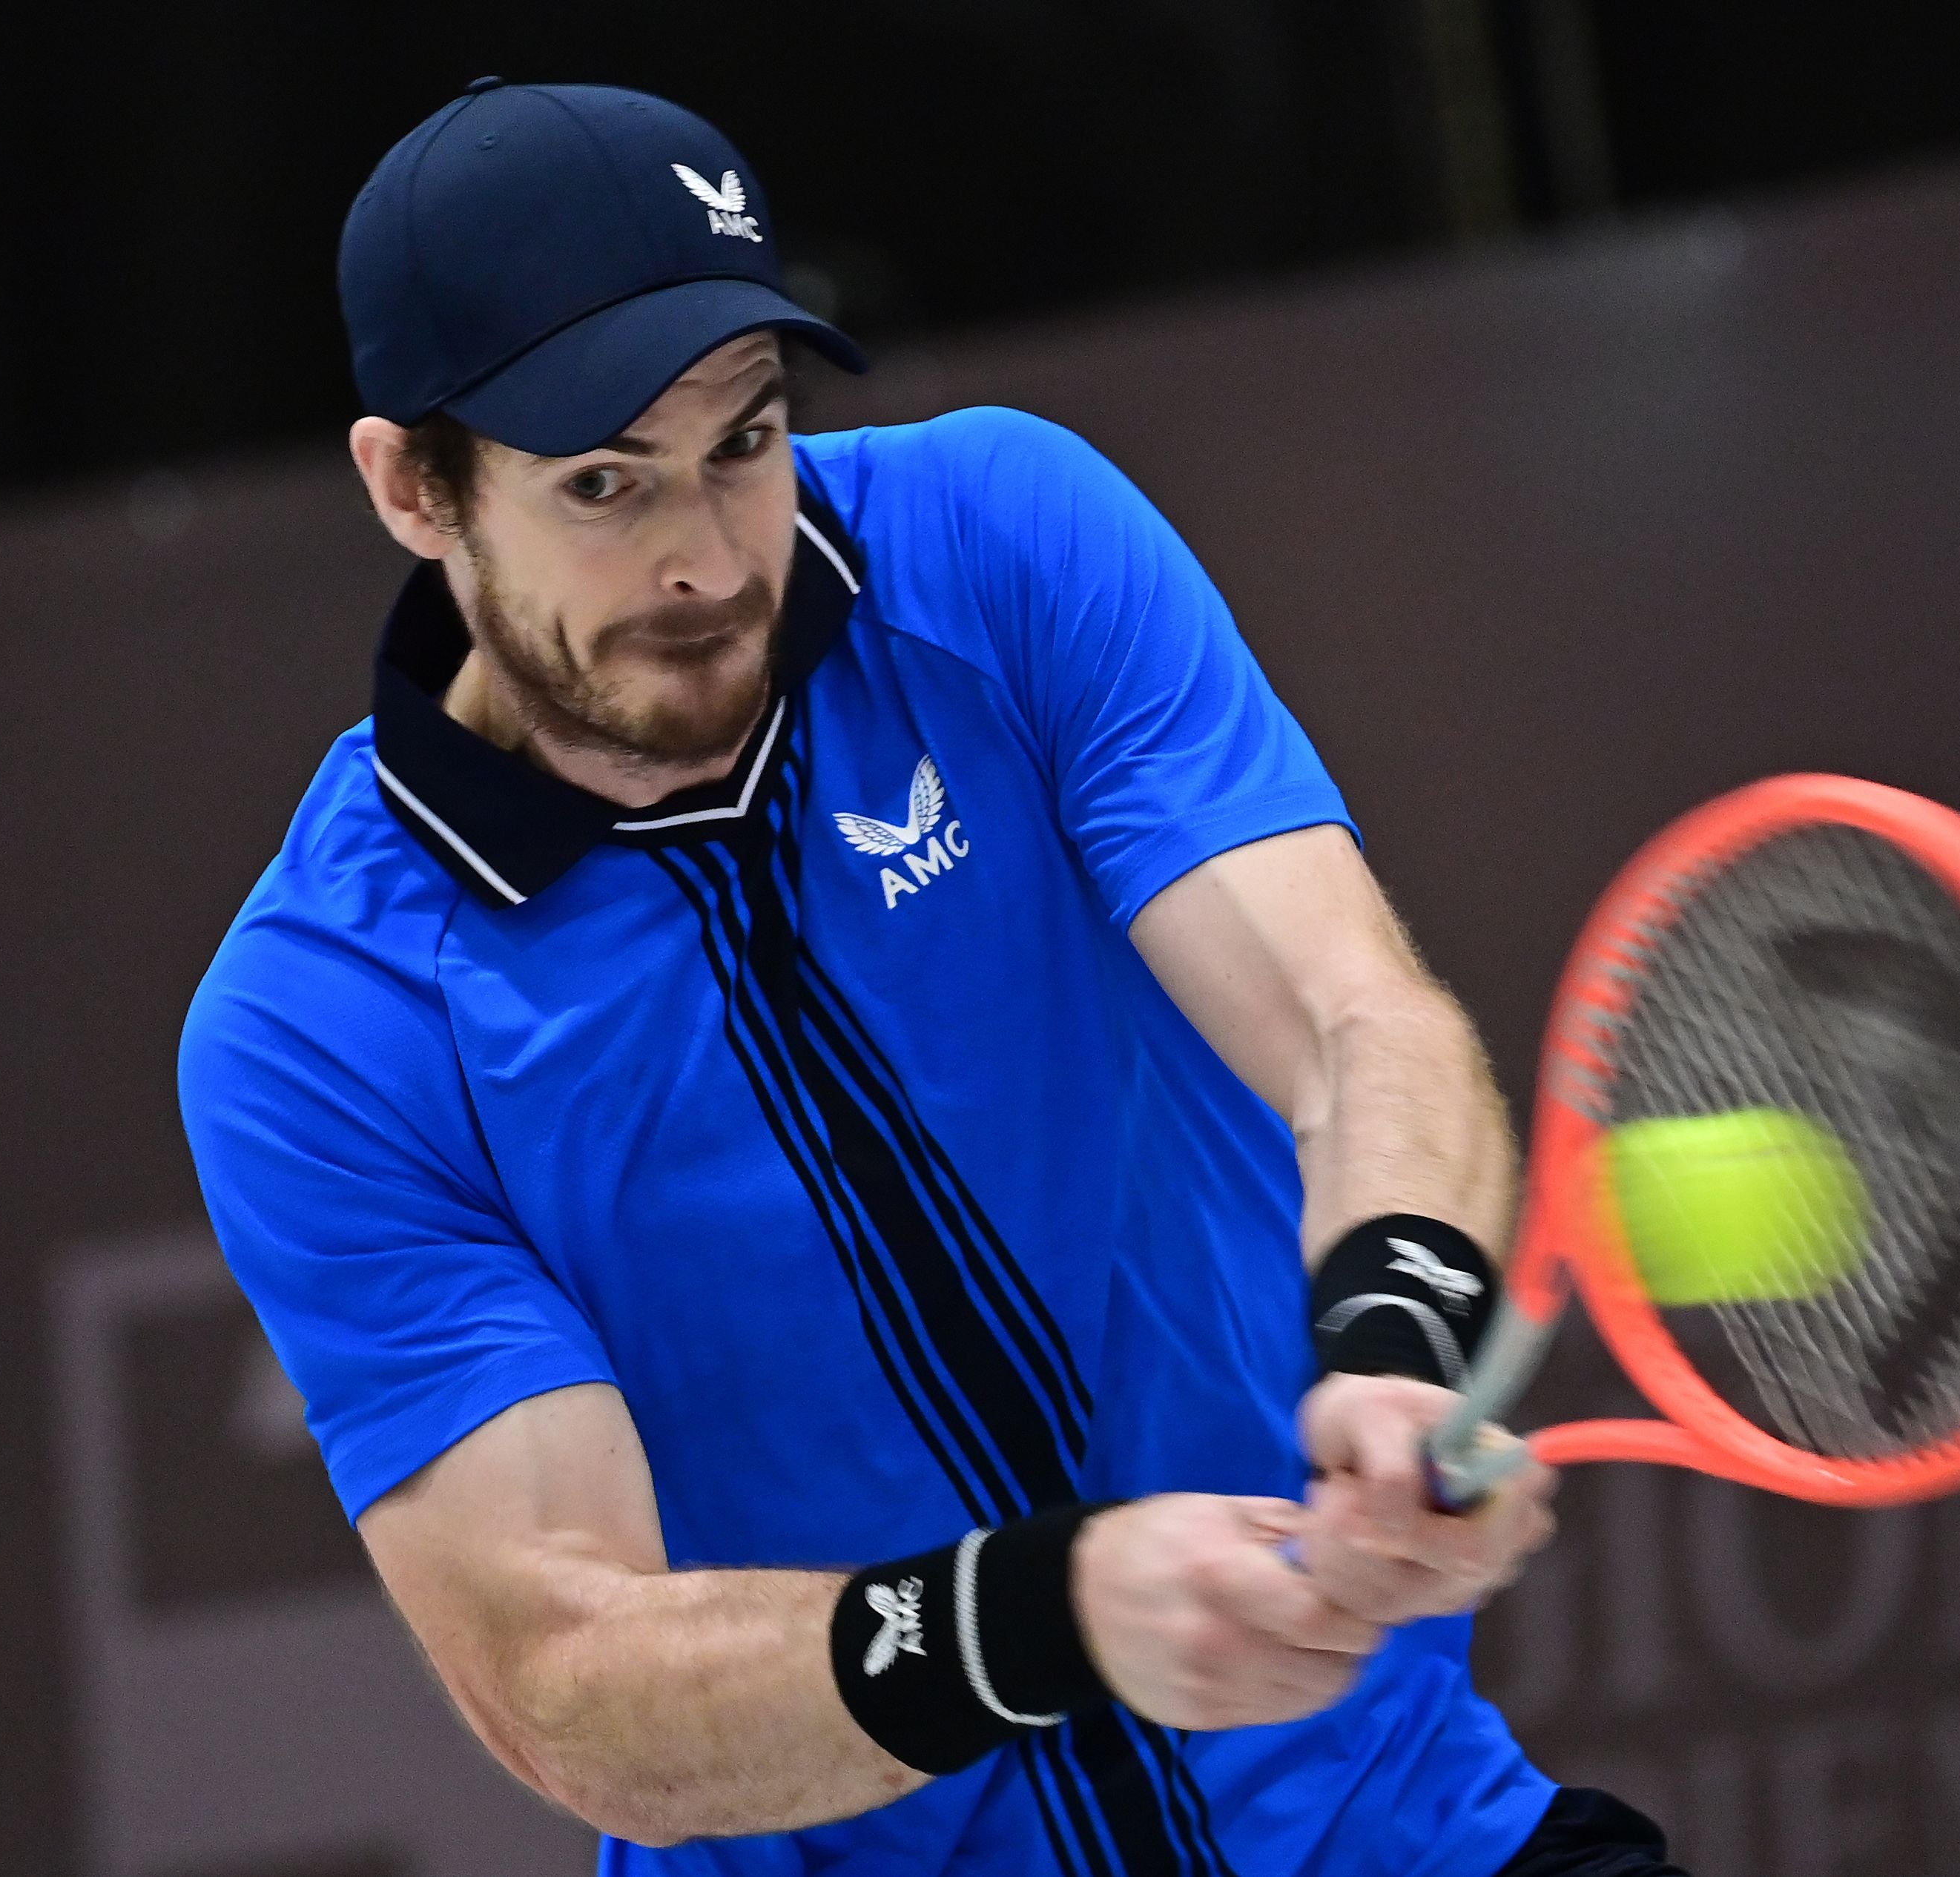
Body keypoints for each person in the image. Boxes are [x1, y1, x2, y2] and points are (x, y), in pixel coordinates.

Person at [179, 78, 1685, 1877]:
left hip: (1405, 1835)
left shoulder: (1003, 545)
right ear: (414, 486)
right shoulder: (322, 1025)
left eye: (745, 440)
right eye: (602, 483)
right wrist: (1043, 1616)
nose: (706, 556)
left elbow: (1355, 1020)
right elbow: (566, 1674)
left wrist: (1389, 1338)